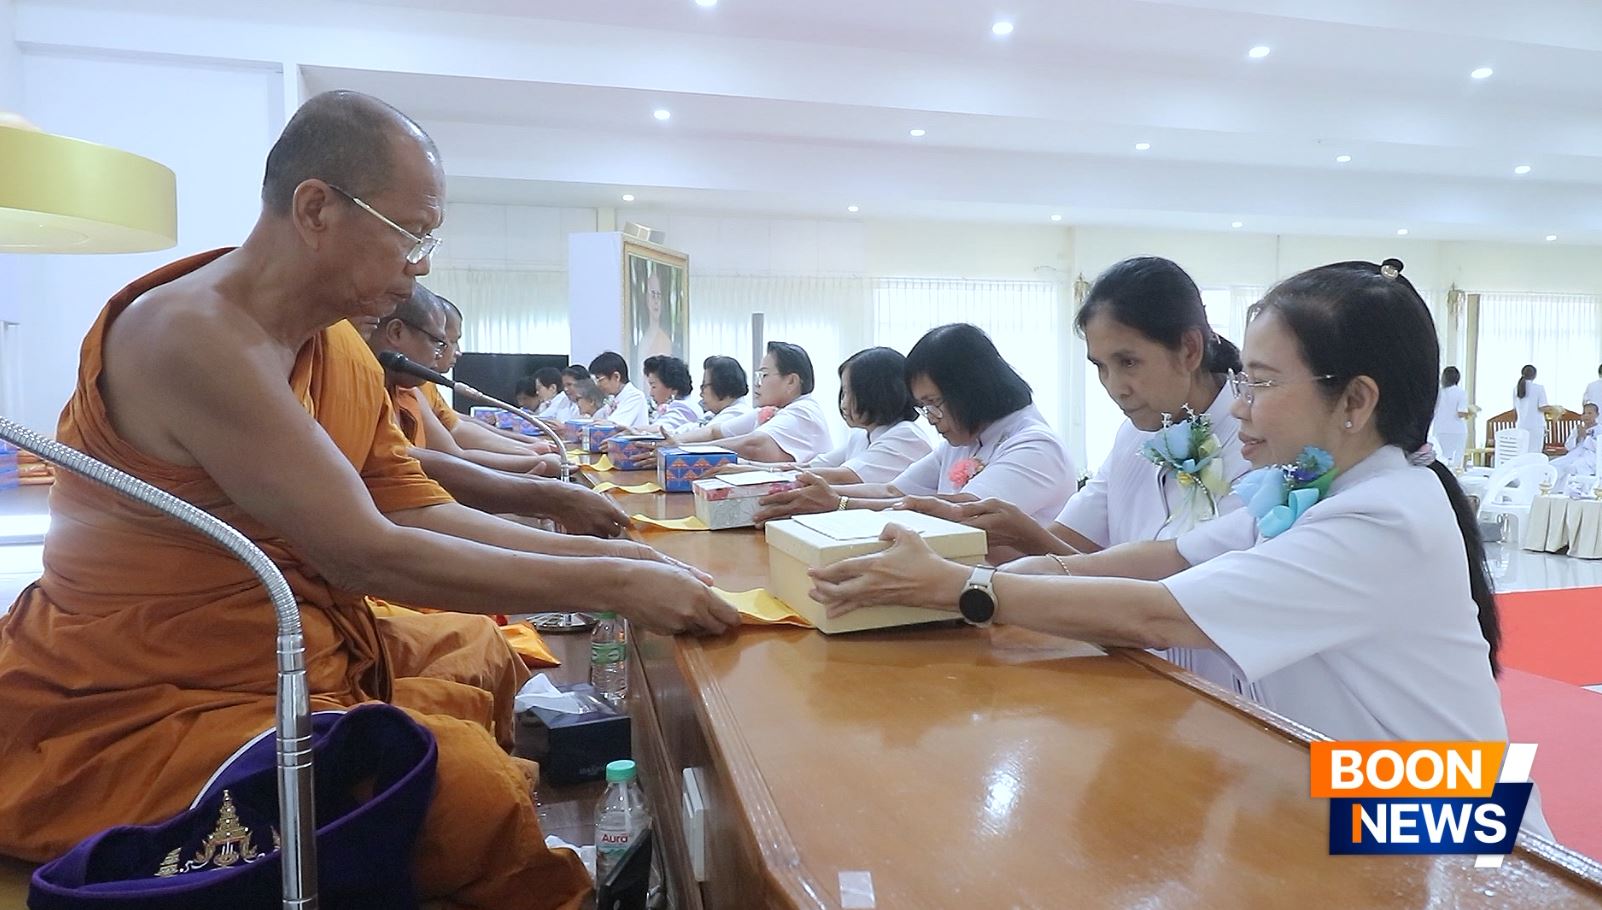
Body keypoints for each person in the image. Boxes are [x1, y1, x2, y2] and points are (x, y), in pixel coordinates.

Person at [0, 91, 739, 907]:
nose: (421, 264)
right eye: (412, 233)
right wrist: (615, 584)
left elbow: (413, 505)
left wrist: (610, 554)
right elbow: (362, 550)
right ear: (315, 207)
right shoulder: (189, 334)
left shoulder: (334, 347)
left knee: (482, 652)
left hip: (291, 643)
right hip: (145, 691)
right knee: (468, 788)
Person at [806, 259, 1552, 842]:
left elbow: (1163, 613)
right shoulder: (1311, 485)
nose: (1236, 404)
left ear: (1355, 402)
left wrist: (969, 591)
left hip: (1451, 811)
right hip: (1358, 779)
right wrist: (1004, 572)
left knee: (1200, 821)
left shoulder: (1384, 516)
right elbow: (1173, 557)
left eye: (1259, 382)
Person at [904, 259, 1248, 689]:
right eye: (1100, 366)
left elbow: (1177, 590)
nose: (1114, 386)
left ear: (1190, 350)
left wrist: (977, 582)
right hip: (1134, 666)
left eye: (1128, 362)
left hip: (1220, 682)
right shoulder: (1133, 434)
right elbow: (1076, 550)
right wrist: (1019, 531)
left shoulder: (1253, 440)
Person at [754, 324, 1076, 525]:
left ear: (972, 390)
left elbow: (958, 512)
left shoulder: (1033, 445)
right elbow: (894, 489)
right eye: (924, 407)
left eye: (935, 404)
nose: (931, 418)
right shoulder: (964, 440)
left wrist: (839, 503)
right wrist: (823, 496)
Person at [368, 286, 561, 477]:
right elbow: (446, 455)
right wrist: (531, 463)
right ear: (396, 332)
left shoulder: (412, 386)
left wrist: (529, 449)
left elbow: (456, 426)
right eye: (441, 342)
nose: (451, 352)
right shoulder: (380, 384)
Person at [719, 347, 932, 484]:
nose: (843, 401)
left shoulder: (905, 435)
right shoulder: (862, 436)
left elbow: (839, 477)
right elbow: (812, 467)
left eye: (849, 391)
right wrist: (744, 466)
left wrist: (746, 470)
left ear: (876, 392)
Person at [670, 341, 836, 462]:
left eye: (764, 375)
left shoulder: (804, 410)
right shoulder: (771, 411)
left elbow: (754, 445)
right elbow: (715, 432)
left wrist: (682, 450)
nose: (758, 383)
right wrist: (676, 442)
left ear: (791, 381)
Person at [588, 351, 650, 428]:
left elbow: (613, 426)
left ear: (616, 377)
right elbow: (597, 418)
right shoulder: (613, 397)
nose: (597, 384)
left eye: (599, 379)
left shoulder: (635, 397)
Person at [641, 354, 702, 432]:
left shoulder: (685, 408)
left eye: (653, 386)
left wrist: (633, 430)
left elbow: (660, 429)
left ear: (673, 388)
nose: (651, 393)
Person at [1432, 366, 1471, 470]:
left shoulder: (1438, 393)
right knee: (1456, 462)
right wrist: (1470, 413)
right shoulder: (1461, 392)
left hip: (1440, 429)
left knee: (1442, 459)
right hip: (1457, 431)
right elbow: (1461, 413)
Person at [698, 355, 752, 429]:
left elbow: (699, 436)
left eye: (704, 386)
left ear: (720, 386)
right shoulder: (711, 414)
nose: (701, 394)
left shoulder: (737, 415)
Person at [636, 266, 674, 370]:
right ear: (646, 299)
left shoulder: (665, 340)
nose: (656, 301)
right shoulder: (642, 340)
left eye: (659, 296)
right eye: (653, 295)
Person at [1514, 364, 1549, 451]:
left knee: (1522, 452)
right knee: (1535, 453)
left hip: (1521, 425)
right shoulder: (1539, 388)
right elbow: (1542, 407)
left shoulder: (1516, 389)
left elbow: (1515, 408)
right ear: (1534, 375)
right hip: (1536, 427)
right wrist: (1555, 409)